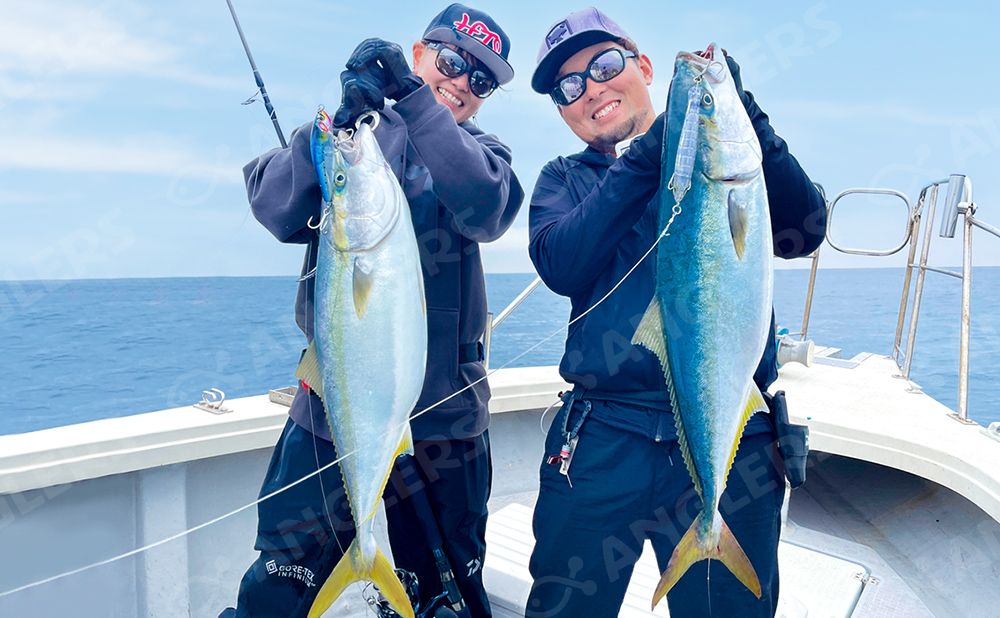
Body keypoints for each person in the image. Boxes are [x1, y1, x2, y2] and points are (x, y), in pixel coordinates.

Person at [220, 4, 523, 617]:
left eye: (481, 80)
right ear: (418, 53)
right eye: (451, 62)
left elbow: (487, 206)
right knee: (278, 588)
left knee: (449, 600)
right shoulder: (344, 137)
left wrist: (415, 103)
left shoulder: (480, 152)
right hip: (332, 411)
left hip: (446, 424)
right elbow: (276, 206)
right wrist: (331, 132)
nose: (462, 83)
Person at [524, 8, 826, 618]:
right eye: (569, 86)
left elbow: (804, 231)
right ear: (562, 110)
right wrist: (650, 154)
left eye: (604, 65)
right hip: (602, 436)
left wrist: (745, 116)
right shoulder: (564, 180)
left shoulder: (732, 162)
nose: (592, 89)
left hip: (734, 432)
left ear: (643, 67)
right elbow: (562, 263)